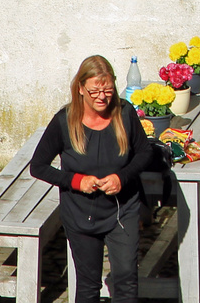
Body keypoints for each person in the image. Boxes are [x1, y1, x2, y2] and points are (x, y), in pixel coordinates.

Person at [30, 56, 149, 303]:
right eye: (94, 90)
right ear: (81, 88)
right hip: (80, 212)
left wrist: (122, 177)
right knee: (88, 283)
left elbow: (145, 153)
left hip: (121, 209)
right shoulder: (64, 121)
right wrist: (76, 182)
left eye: (107, 90)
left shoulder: (125, 113)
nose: (102, 97)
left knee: (126, 277)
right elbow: (38, 167)